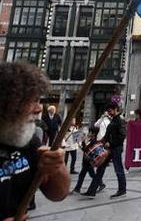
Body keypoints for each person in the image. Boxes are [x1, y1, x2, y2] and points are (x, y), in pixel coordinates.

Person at [0, 62, 70, 219]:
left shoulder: (29, 141)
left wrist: (56, 168)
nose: (39, 109)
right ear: (6, 102)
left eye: (38, 100)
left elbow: (58, 194)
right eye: (30, 101)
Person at [83, 102, 127, 199]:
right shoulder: (113, 120)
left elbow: (122, 136)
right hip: (109, 148)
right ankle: (92, 191)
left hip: (116, 148)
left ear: (115, 109)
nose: (109, 112)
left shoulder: (120, 120)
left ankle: (122, 190)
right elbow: (107, 134)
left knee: (118, 168)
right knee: (100, 168)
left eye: (110, 110)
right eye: (108, 111)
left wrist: (110, 143)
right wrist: (100, 142)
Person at [72, 127, 98, 194]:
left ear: (93, 134)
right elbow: (85, 149)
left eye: (90, 132)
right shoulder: (91, 140)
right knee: (92, 175)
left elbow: (87, 150)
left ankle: (77, 189)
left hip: (88, 162)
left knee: (82, 175)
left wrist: (83, 142)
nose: (88, 133)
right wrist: (82, 143)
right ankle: (101, 184)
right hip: (86, 161)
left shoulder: (93, 141)